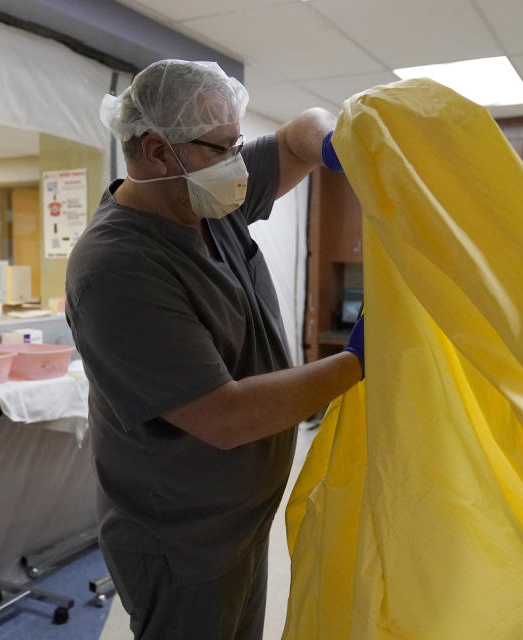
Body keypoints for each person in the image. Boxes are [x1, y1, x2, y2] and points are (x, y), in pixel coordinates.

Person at [65, 59, 364, 639]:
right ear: (157, 151)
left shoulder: (203, 202)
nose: (237, 160)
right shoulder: (117, 269)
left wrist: (335, 141)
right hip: (182, 541)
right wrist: (356, 362)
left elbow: (297, 134)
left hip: (240, 520)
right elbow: (222, 416)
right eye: (222, 148)